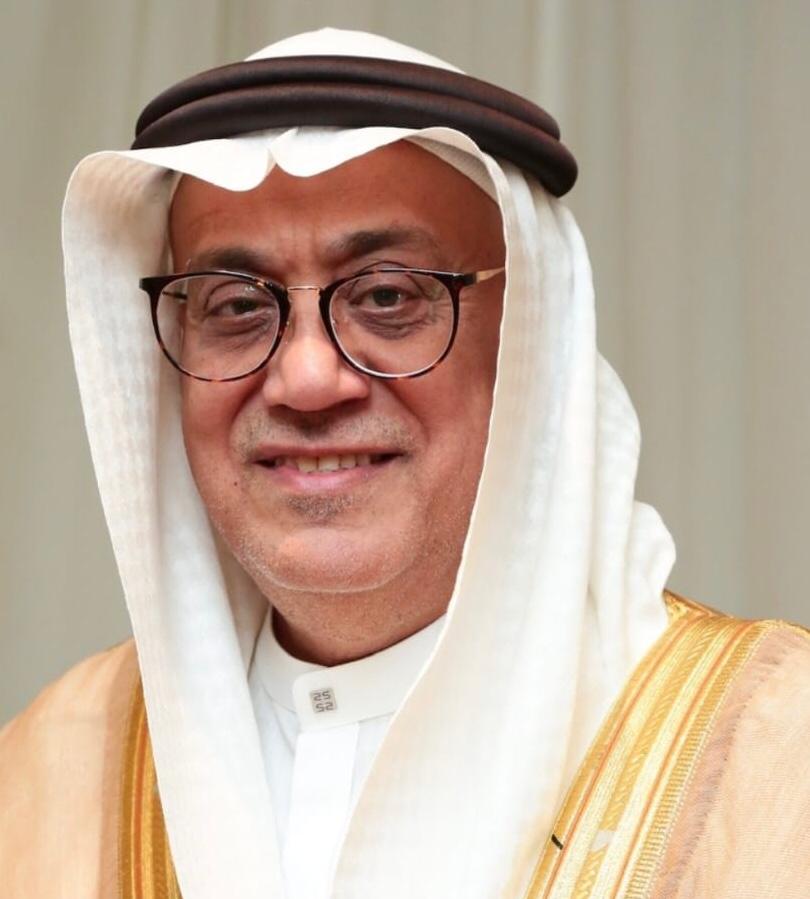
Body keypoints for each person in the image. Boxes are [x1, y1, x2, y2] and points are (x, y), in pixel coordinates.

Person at [2, 26, 809, 899]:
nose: (306, 378)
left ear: (530, 341)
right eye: (235, 306)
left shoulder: (776, 756)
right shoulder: (45, 774)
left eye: (387, 295)